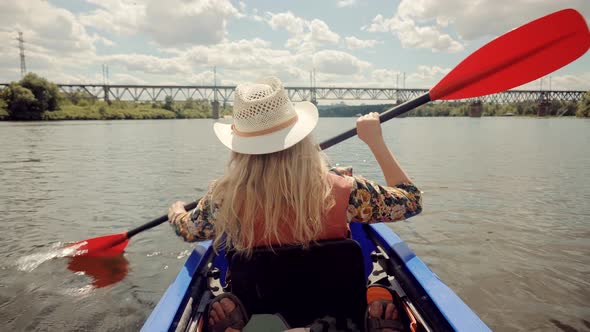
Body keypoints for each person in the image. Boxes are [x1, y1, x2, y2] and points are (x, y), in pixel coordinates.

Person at [168, 77, 422, 332]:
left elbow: (189, 230)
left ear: (239, 148)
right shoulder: (347, 191)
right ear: (301, 137)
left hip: (259, 309)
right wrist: (375, 141)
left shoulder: (222, 199)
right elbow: (411, 200)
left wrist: (176, 214)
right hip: (337, 311)